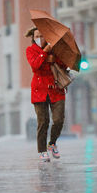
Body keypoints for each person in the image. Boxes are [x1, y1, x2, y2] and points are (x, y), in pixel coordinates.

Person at [25, 27, 66, 162]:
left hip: (56, 89)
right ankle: (42, 150)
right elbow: (35, 66)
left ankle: (52, 143)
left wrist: (55, 59)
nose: (40, 38)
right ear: (33, 37)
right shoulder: (30, 50)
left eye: (43, 36)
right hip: (39, 91)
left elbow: (64, 66)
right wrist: (44, 53)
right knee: (43, 122)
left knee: (59, 120)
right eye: (37, 36)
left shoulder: (55, 48)